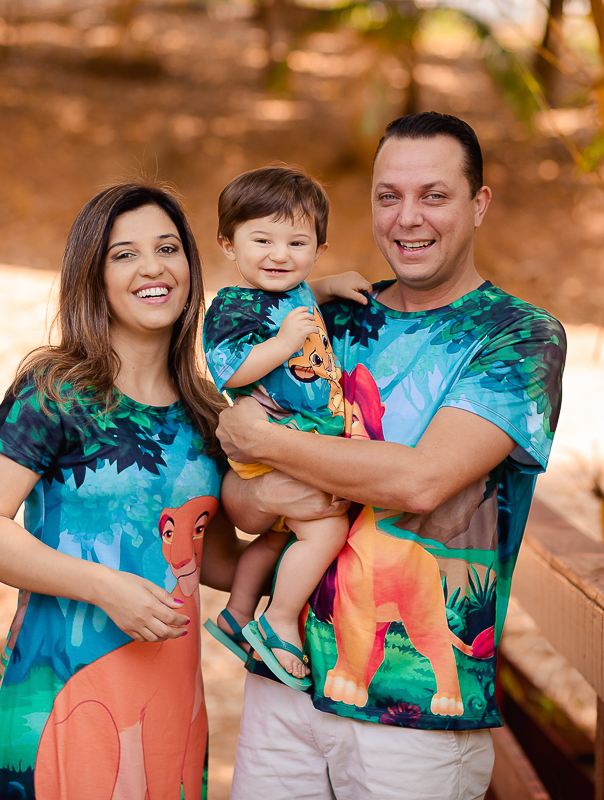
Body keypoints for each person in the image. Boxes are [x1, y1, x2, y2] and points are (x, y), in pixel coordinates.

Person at [217, 112, 567, 800]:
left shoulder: (519, 337)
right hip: (282, 690)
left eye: (434, 195)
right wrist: (266, 490)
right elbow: (241, 499)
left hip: (411, 724)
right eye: (388, 196)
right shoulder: (325, 321)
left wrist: (268, 445)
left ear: (478, 204)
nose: (408, 218)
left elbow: (422, 480)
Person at [0, 184, 240, 800]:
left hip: (170, 704)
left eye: (167, 248)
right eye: (124, 254)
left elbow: (213, 561)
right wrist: (106, 589)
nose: (152, 267)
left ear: (190, 265)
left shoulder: (209, 413)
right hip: (59, 690)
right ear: (94, 277)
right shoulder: (55, 390)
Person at [201, 165, 372, 688]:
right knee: (324, 528)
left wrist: (328, 287)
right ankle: (278, 620)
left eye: (298, 242)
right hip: (273, 435)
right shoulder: (231, 305)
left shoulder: (293, 292)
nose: (279, 255)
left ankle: (237, 612)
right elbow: (229, 369)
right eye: (262, 240)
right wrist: (282, 344)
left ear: (318, 249)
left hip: (302, 435)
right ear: (229, 244)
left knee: (278, 540)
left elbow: (295, 298)